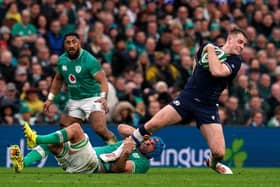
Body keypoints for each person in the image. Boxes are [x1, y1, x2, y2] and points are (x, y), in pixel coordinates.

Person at [130, 28, 248, 174]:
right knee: (152, 124)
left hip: (208, 106)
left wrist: (210, 49)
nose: (242, 46)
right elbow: (197, 58)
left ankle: (212, 163)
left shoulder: (235, 60)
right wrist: (194, 77)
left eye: (244, 44)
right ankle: (120, 150)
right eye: (240, 42)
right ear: (230, 39)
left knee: (219, 153)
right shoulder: (206, 47)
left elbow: (217, 71)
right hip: (188, 99)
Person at [43, 32, 117, 144]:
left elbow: (103, 81)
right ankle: (76, 155)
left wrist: (103, 98)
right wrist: (50, 99)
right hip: (74, 99)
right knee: (64, 129)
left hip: (93, 98)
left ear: (79, 43)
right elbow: (58, 79)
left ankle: (117, 150)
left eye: (74, 42)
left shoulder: (89, 60)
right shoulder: (62, 60)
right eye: (68, 42)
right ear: (64, 45)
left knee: (99, 129)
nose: (71, 45)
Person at [10, 122, 165, 174]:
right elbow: (121, 127)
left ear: (153, 153)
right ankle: (22, 163)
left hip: (94, 163)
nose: (148, 142)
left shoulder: (143, 164)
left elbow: (118, 169)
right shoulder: (135, 143)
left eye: (152, 145)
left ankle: (35, 139)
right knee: (52, 144)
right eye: (150, 140)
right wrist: (139, 135)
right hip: (79, 162)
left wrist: (125, 153)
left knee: (76, 128)